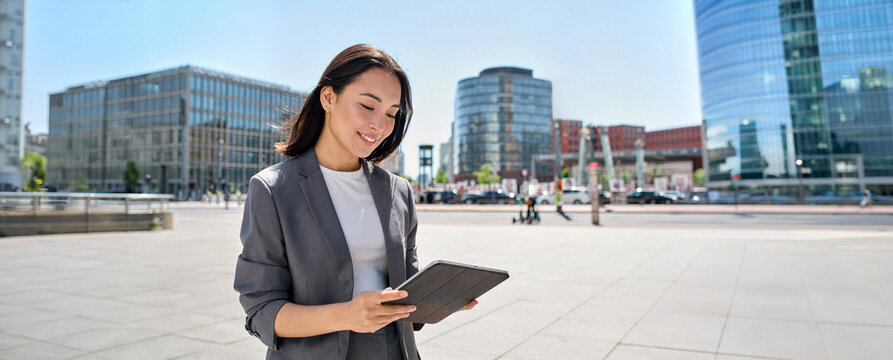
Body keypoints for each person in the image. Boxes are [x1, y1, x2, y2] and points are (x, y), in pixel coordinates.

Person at [233, 44, 476, 360]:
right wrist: (347, 315)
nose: (380, 125)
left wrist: (437, 300)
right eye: (367, 105)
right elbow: (261, 310)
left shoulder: (398, 191)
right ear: (328, 98)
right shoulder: (273, 189)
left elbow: (407, 297)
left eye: (391, 113)